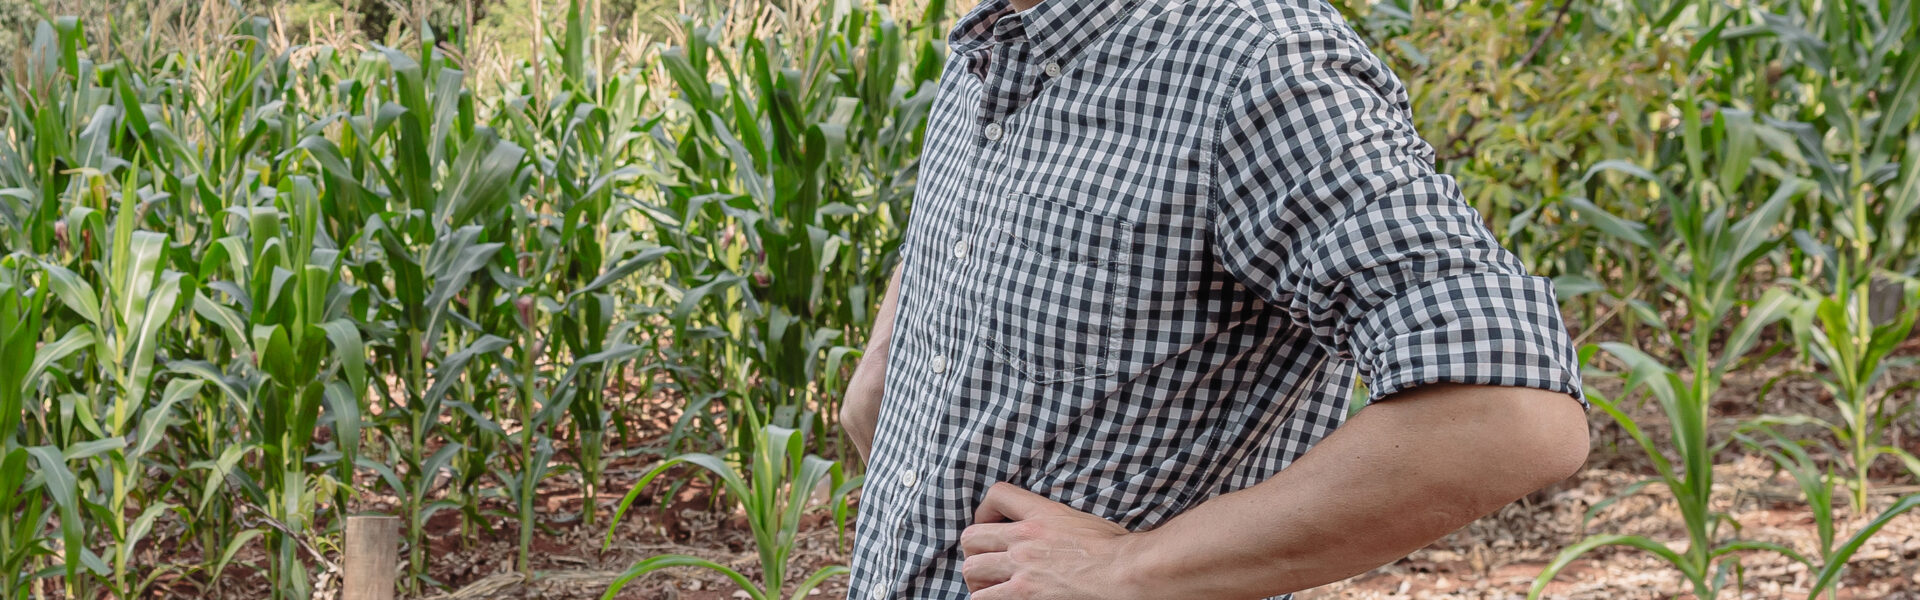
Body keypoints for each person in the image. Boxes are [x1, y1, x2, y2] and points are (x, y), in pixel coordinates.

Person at [837, 0, 1592, 597]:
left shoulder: (1257, 62)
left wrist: (1131, 568)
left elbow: (1510, 410)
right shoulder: (992, 42)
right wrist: (890, 355)